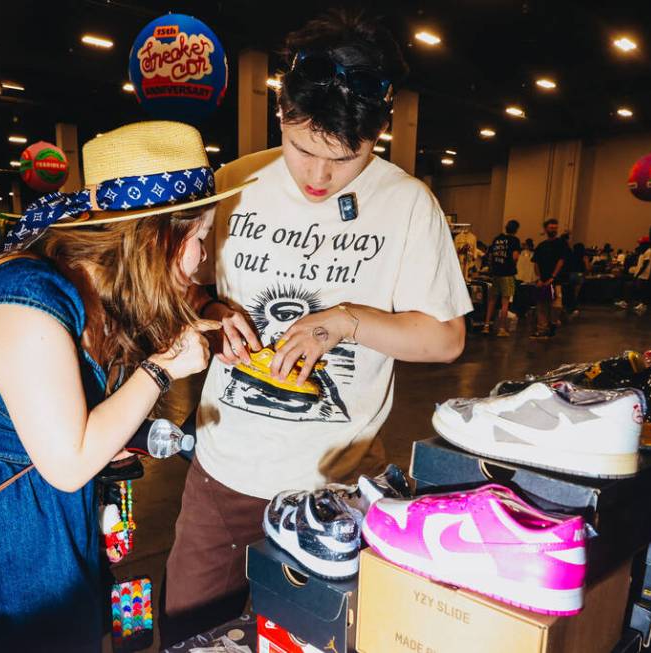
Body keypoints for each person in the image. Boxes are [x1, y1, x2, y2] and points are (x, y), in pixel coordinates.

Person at [0, 122, 243, 652]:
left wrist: (207, 308)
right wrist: (162, 368)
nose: (203, 257)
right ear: (151, 239)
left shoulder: (94, 287)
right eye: (198, 237)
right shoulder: (23, 300)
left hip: (41, 525)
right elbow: (68, 462)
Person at [161, 10, 471, 643]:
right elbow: (181, 292)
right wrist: (214, 313)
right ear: (282, 112)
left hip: (334, 488)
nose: (319, 177)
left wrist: (346, 323)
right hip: (223, 475)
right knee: (189, 631)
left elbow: (445, 338)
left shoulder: (409, 202)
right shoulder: (232, 183)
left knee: (312, 638)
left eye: (347, 157)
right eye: (304, 149)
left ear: (377, 135)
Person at [531, 218, 570, 338]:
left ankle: (553, 324)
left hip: (555, 281)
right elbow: (536, 263)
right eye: (551, 227)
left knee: (557, 305)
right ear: (546, 229)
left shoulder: (561, 244)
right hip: (542, 281)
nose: (553, 229)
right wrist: (539, 278)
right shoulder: (541, 246)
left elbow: (561, 260)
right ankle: (542, 329)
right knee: (542, 306)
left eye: (555, 227)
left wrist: (553, 276)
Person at [483, 219, 521, 336]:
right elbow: (515, 257)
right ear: (516, 230)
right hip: (507, 274)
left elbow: (490, 256)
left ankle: (486, 326)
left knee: (492, 300)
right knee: (505, 302)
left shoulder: (497, 239)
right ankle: (502, 329)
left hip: (496, 273)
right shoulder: (514, 240)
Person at [615, 235, 651, 315]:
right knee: (633, 288)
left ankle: (642, 304)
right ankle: (627, 302)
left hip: (643, 275)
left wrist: (638, 273)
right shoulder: (644, 251)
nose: (640, 245)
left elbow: (645, 264)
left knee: (640, 289)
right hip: (639, 274)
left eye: (641, 243)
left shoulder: (649, 252)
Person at [565, 242, 591, 316]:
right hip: (579, 274)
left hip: (570, 274)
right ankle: (573, 307)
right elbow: (587, 268)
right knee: (576, 293)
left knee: (570, 291)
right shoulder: (584, 256)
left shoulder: (570, 255)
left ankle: (568, 306)